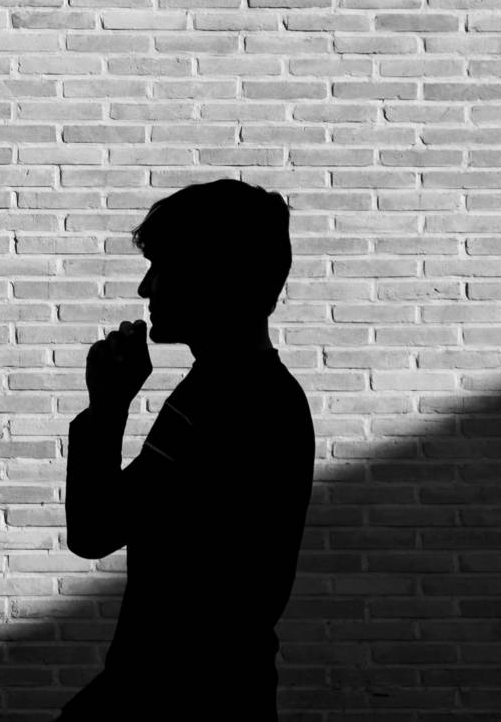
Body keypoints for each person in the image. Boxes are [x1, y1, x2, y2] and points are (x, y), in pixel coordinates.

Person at [56, 180, 316, 721]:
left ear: (209, 277)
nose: (145, 288)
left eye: (161, 267)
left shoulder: (225, 401)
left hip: (179, 699)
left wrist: (107, 409)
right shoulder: (243, 391)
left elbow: (95, 529)